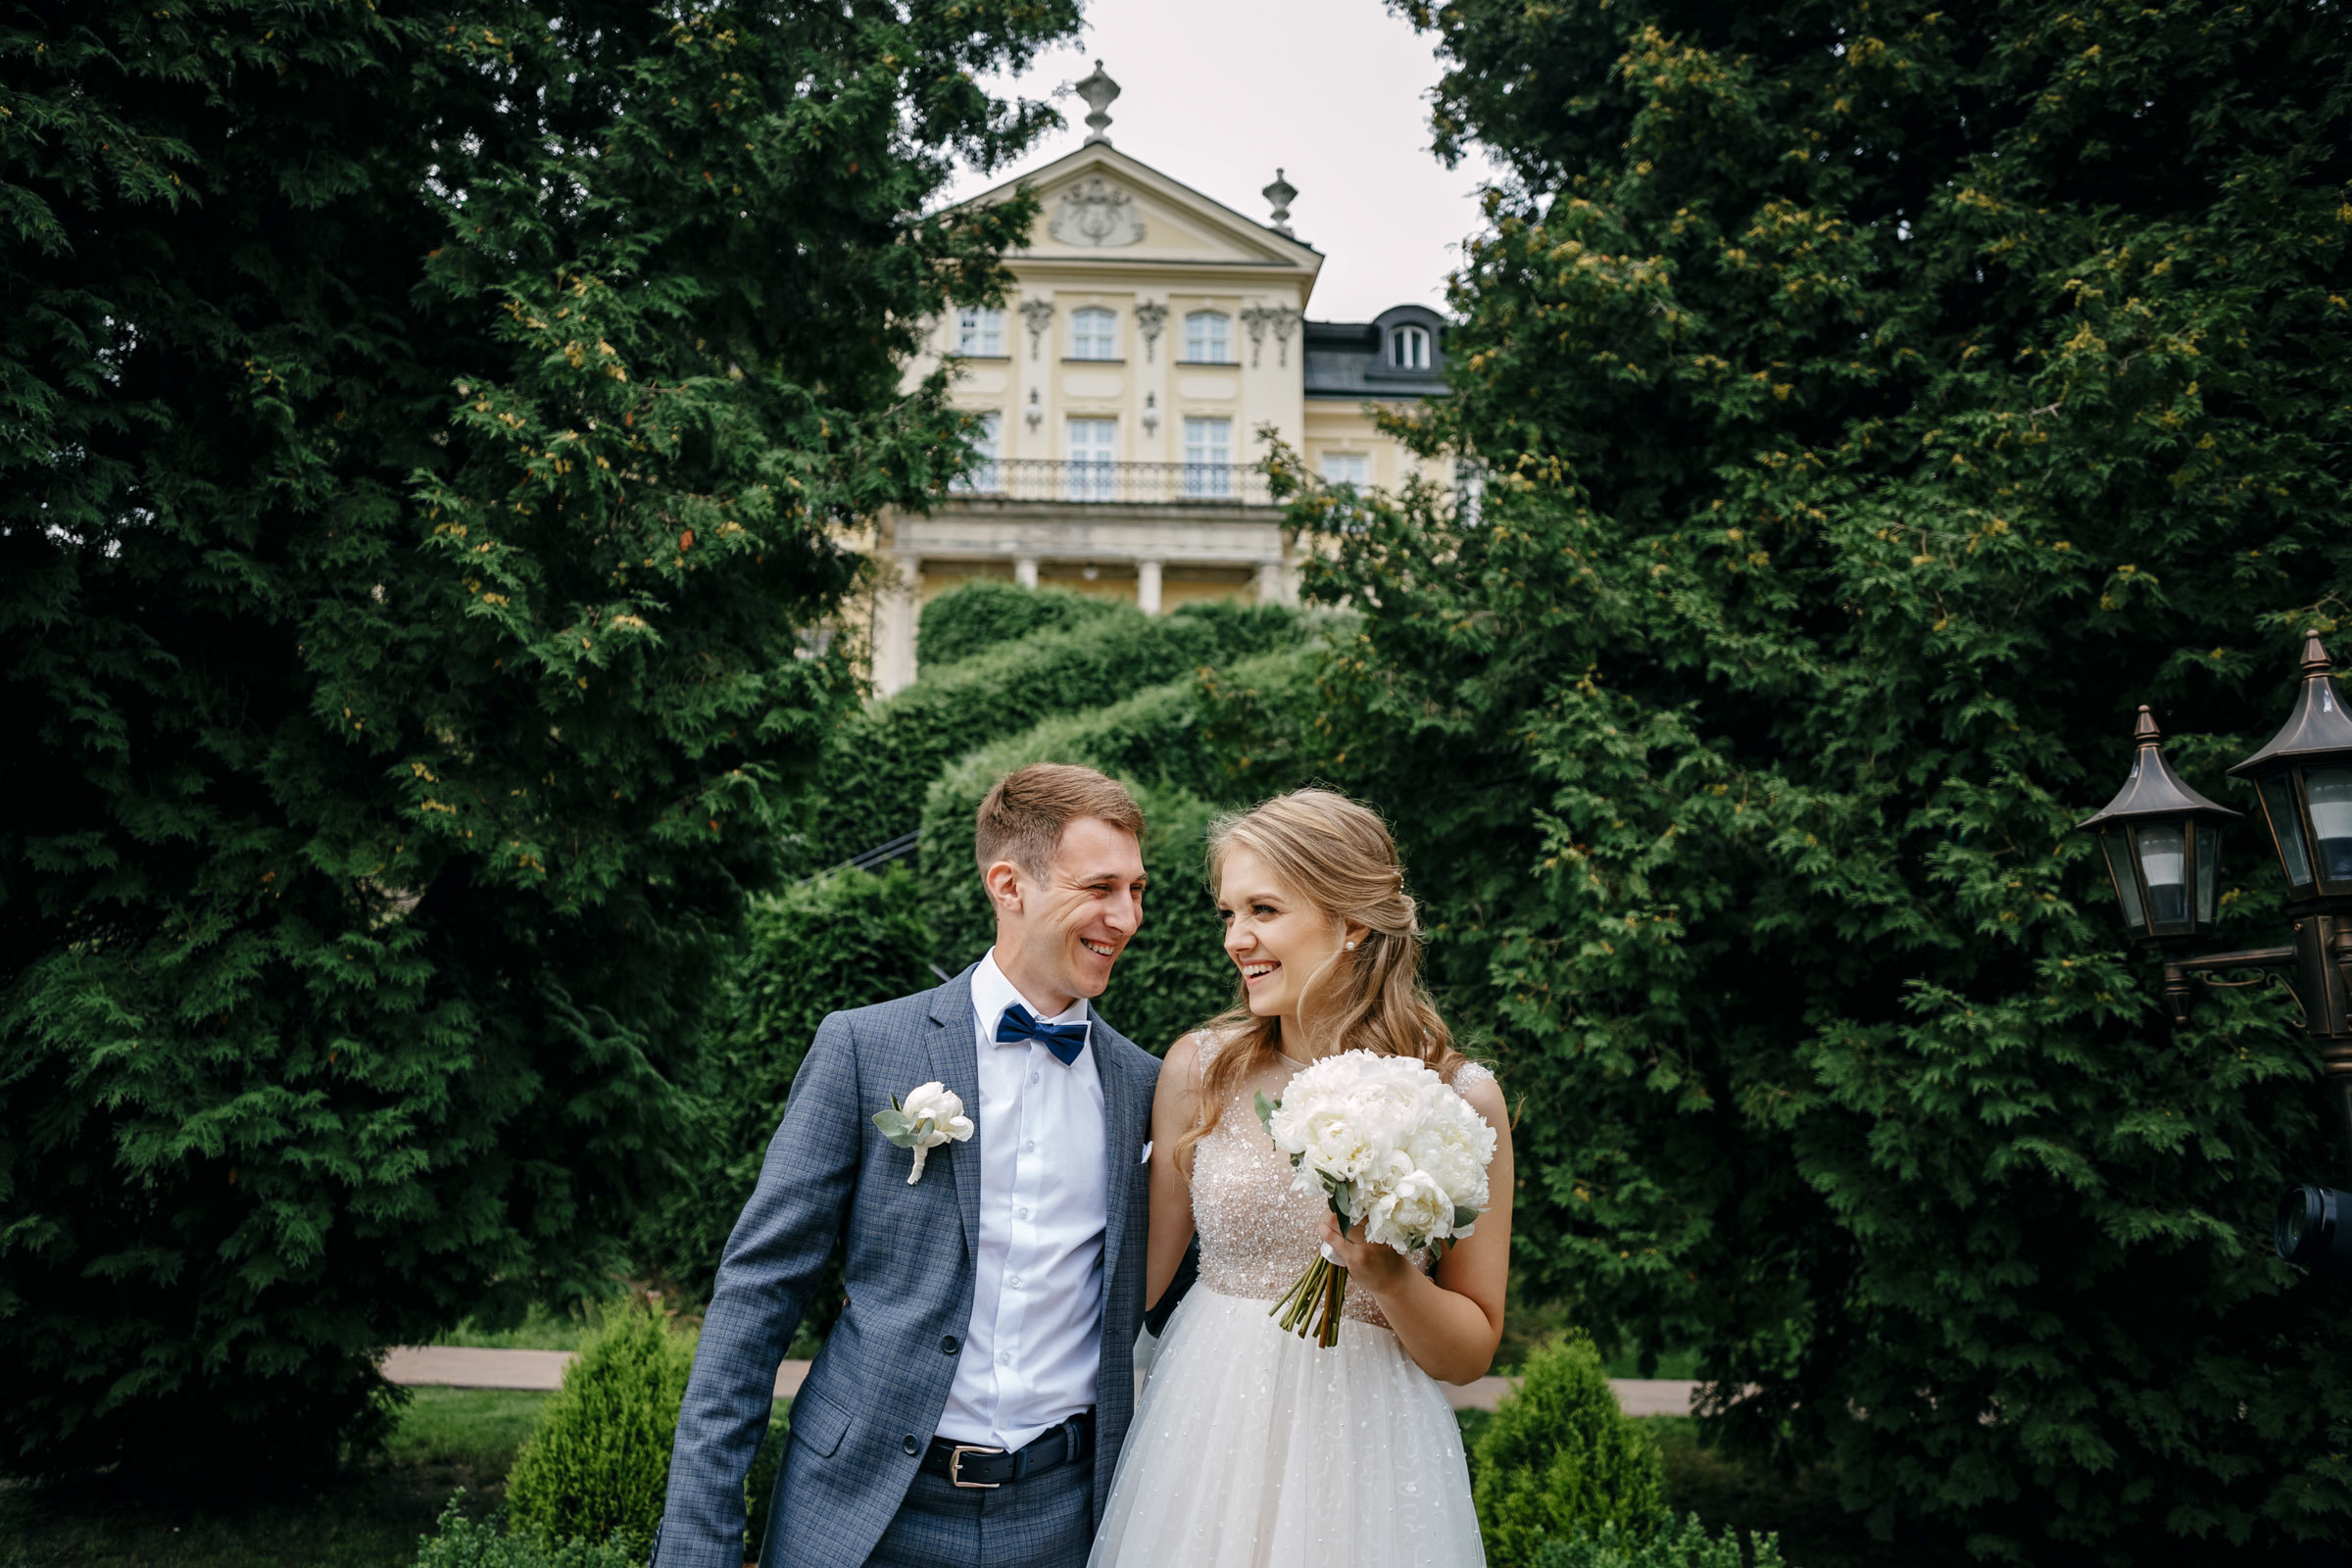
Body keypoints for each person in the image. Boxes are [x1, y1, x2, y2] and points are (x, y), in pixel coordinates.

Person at [655, 763, 1163, 1568]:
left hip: (1066, 1523)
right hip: (863, 1513)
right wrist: (696, 1544)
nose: (1126, 916)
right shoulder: (864, 1047)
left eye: (1137, 890)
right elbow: (757, 1298)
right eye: (1101, 887)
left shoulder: (1148, 1088)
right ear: (1009, 884)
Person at [1089, 789, 1512, 1568]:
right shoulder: (1201, 1072)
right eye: (1228, 914)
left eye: (1263, 910)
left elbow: (1470, 1353)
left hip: (1372, 1454)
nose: (1236, 939)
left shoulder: (1456, 1100)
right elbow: (1132, 1290)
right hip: (1206, 1435)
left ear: (1351, 921)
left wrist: (1388, 1276)